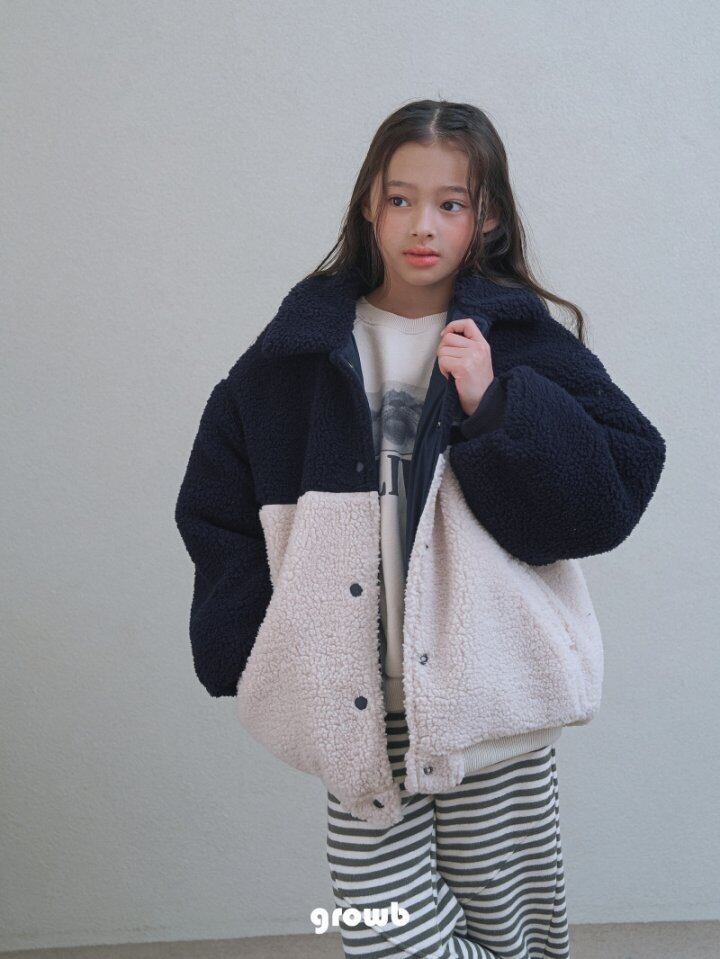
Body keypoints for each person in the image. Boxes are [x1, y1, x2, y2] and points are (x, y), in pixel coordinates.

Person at [175, 99, 666, 958]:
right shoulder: (294, 355)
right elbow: (217, 507)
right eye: (401, 199)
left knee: (510, 933)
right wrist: (256, 649)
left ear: (488, 216)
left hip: (491, 699)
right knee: (382, 928)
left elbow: (612, 486)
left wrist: (496, 402)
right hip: (356, 700)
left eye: (450, 203)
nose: (422, 226)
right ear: (370, 203)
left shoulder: (520, 343)